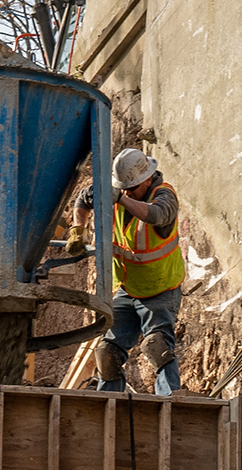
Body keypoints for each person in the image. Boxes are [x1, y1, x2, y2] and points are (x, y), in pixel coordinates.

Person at [64, 147, 183, 395]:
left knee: (156, 346)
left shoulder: (164, 196)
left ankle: (169, 403)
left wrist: (120, 198)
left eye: (132, 188)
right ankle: (109, 402)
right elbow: (83, 199)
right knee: (107, 351)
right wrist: (78, 228)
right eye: (123, 188)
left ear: (148, 178)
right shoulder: (120, 194)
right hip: (127, 289)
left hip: (160, 288)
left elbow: (157, 215)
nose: (127, 192)